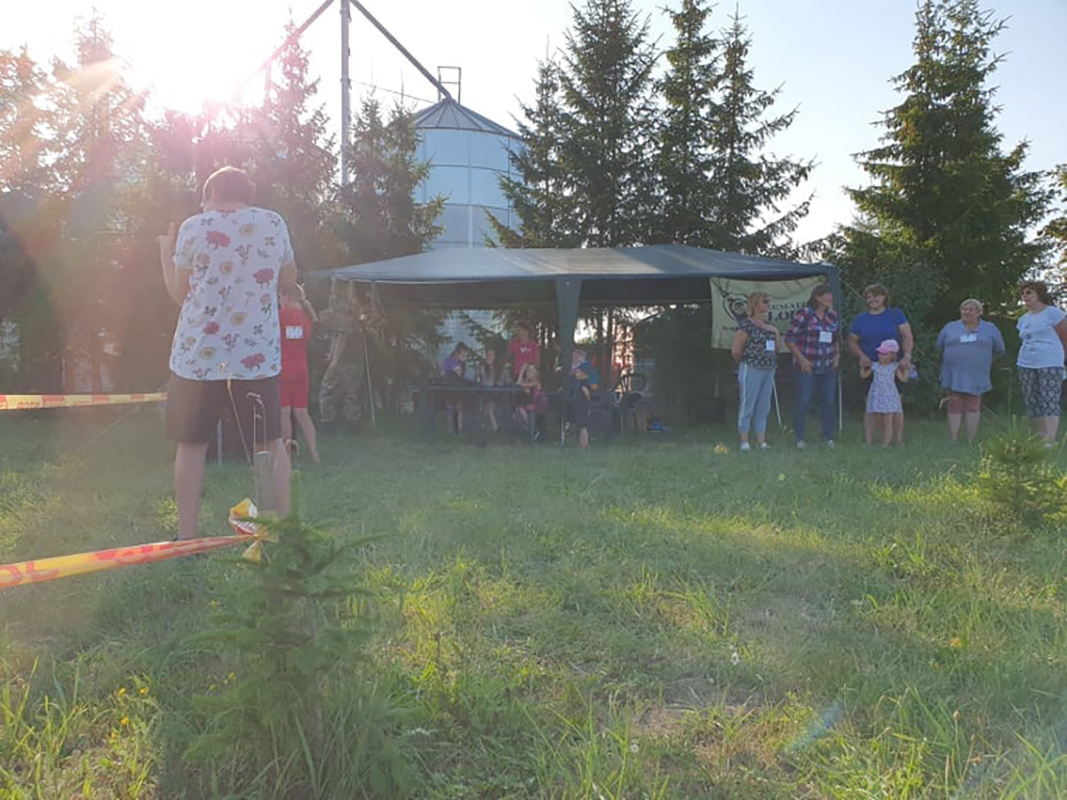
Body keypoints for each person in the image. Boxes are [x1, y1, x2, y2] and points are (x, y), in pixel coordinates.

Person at [158, 166, 294, 540]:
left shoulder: (193, 227)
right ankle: (282, 531)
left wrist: (165, 253)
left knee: (191, 444)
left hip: (200, 356)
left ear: (209, 195)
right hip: (256, 353)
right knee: (270, 444)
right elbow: (287, 280)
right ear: (248, 194)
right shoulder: (273, 223)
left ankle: (187, 536)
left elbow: (178, 293)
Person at [848, 283, 914, 446]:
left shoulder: (895, 314)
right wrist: (861, 356)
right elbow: (851, 341)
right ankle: (872, 440)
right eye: (869, 297)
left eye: (876, 296)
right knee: (871, 404)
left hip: (893, 365)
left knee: (896, 404)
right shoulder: (861, 319)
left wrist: (907, 356)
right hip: (871, 365)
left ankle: (898, 439)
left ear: (884, 297)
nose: (872, 299)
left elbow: (906, 335)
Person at [935, 298, 1006, 442]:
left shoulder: (989, 328)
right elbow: (939, 347)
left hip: (977, 373)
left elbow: (999, 350)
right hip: (953, 372)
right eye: (964, 309)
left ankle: (971, 439)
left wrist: (985, 361)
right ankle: (953, 438)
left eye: (971, 309)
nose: (966, 312)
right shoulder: (950, 327)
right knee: (954, 403)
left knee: (973, 404)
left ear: (979, 312)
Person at [785, 284, 839, 450]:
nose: (830, 298)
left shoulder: (832, 315)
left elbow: (836, 338)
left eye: (831, 295)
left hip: (827, 365)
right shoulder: (804, 314)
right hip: (807, 366)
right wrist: (801, 360)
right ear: (817, 297)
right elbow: (790, 339)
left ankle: (828, 437)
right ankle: (799, 438)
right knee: (804, 400)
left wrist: (837, 355)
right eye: (826, 295)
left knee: (828, 401)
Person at [318, 280, 377, 434]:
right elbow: (338, 337)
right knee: (350, 393)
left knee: (328, 391)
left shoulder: (344, 318)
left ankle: (328, 423)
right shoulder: (356, 319)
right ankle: (353, 423)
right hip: (355, 361)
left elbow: (341, 337)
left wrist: (334, 359)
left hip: (344, 361)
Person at [1016, 280, 1067, 443]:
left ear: (1039, 294)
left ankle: (1050, 439)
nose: (1025, 296)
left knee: (1049, 399)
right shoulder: (1023, 319)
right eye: (1023, 293)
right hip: (1026, 363)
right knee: (1033, 400)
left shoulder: (1053, 313)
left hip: (1050, 362)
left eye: (1029, 292)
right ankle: (1041, 436)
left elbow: (1065, 335)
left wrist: (1063, 357)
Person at [730, 292, 780, 451]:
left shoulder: (770, 327)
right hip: (751, 367)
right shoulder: (746, 325)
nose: (767, 304)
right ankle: (744, 441)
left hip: (768, 369)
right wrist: (746, 362)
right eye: (764, 301)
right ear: (755, 304)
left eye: (768, 301)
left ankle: (761, 441)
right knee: (748, 404)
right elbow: (736, 351)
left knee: (764, 406)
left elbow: (777, 348)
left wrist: (776, 334)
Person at [279, 284, 321, 462]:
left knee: (284, 412)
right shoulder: (307, 317)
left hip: (283, 368)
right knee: (302, 413)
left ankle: (287, 453)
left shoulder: (280, 316)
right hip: (301, 368)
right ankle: (315, 453)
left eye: (280, 296)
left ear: (287, 297)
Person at [861, 339, 909, 447]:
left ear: (892, 355)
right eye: (880, 353)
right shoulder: (875, 366)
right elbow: (864, 375)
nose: (880, 356)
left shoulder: (894, 367)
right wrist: (862, 367)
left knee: (888, 420)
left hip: (889, 394)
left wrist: (906, 370)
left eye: (884, 354)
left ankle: (885, 444)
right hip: (877, 394)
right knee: (875, 416)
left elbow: (903, 379)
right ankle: (869, 441)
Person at [475, 346, 510, 432]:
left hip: (499, 395)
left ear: (495, 357)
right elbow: (478, 381)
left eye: (491, 355)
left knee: (490, 408)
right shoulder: (482, 367)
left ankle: (496, 429)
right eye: (487, 355)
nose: (489, 357)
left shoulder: (502, 369)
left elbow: (508, 382)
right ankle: (491, 429)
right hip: (485, 394)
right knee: (487, 408)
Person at [441, 343, 472, 433]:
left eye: (466, 356)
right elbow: (456, 376)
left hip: (452, 387)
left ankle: (455, 430)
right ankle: (457, 430)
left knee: (455, 408)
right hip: (451, 388)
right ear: (457, 354)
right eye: (463, 356)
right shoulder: (456, 364)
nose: (465, 358)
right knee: (454, 408)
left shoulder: (449, 361)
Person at [571, 358, 601, 449]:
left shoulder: (583, 383)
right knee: (581, 425)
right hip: (580, 404)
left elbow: (586, 393)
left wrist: (588, 398)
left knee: (582, 425)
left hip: (582, 405)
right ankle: (582, 443)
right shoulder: (581, 382)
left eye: (579, 372)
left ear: (585, 374)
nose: (577, 373)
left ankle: (583, 443)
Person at [516, 362, 547, 437]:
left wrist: (521, 371)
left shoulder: (536, 382)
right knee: (518, 410)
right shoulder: (528, 382)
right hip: (532, 404)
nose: (529, 373)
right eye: (528, 371)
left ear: (536, 373)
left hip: (539, 405)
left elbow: (520, 384)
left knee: (521, 409)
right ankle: (529, 430)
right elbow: (518, 384)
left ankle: (533, 430)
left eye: (531, 371)